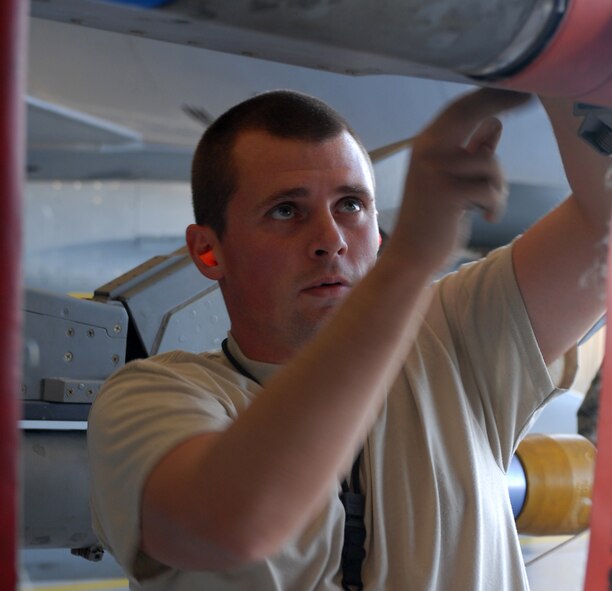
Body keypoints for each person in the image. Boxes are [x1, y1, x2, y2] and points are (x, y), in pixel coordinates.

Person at [88, 87, 610, 590]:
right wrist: (408, 263)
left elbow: (602, 221)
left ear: (377, 228)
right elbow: (233, 523)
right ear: (208, 251)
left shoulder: (452, 334)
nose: (330, 240)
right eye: (286, 211)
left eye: (351, 205)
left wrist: (558, 67)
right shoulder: (153, 397)